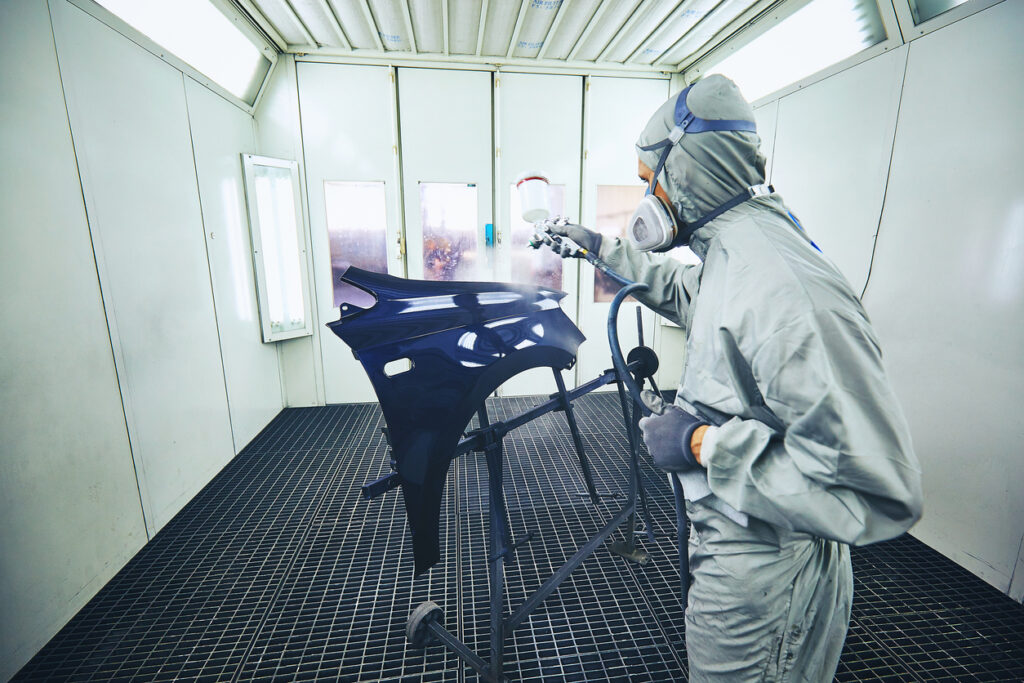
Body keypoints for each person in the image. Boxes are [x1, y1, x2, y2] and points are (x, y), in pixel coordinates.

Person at [541, 75, 923, 681]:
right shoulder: (737, 248)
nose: (649, 201)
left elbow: (875, 491)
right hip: (737, 534)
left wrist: (700, 444)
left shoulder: (788, 290)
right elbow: (690, 296)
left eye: (650, 183)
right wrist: (597, 247)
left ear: (686, 170)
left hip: (763, 573)